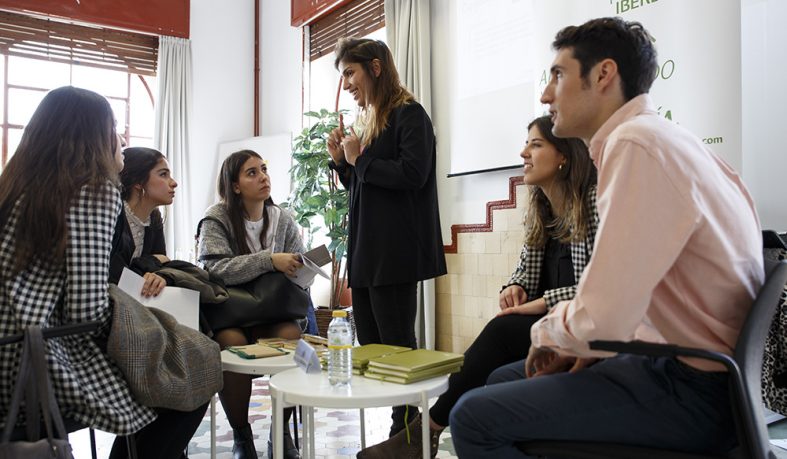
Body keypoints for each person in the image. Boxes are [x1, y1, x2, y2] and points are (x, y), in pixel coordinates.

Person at [449, 17, 764, 458]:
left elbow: (605, 314)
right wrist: (585, 345)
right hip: (700, 373)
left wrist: (548, 335)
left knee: (473, 419)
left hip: (691, 390)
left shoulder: (635, 144)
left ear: (603, 74)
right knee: (504, 379)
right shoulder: (666, 139)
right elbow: (630, 302)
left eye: (558, 75)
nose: (545, 94)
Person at [357, 115, 597, 458]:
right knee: (495, 365)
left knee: (500, 332)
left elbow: (599, 285)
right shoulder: (540, 207)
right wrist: (512, 287)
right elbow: (523, 274)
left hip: (582, 323)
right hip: (549, 325)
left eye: (536, 144)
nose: (523, 152)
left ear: (564, 156)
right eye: (526, 143)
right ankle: (424, 434)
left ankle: (424, 433)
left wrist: (541, 303)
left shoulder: (592, 202)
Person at [0, 86, 206, 459]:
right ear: (91, 136)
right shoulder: (94, 192)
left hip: (10, 348)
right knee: (191, 375)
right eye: (113, 128)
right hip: (41, 360)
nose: (121, 139)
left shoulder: (15, 186)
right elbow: (87, 312)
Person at [327, 37, 447, 437]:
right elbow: (366, 188)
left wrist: (360, 158)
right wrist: (344, 164)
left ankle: (408, 435)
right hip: (368, 250)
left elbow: (413, 175)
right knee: (374, 350)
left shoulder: (410, 114)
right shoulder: (373, 118)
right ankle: (399, 433)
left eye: (350, 72)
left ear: (375, 68)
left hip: (394, 252)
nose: (346, 84)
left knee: (397, 349)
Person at [197, 149, 305, 459]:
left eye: (264, 169)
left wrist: (302, 267)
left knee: (292, 339)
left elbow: (298, 267)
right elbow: (215, 269)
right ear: (234, 186)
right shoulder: (215, 218)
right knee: (230, 342)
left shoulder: (282, 218)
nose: (263, 177)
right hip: (231, 311)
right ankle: (242, 436)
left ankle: (280, 433)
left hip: (274, 310)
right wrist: (269, 261)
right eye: (252, 173)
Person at [109, 146, 177, 297]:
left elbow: (164, 264)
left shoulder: (153, 217)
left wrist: (160, 277)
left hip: (139, 298)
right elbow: (116, 275)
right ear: (139, 182)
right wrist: (151, 262)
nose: (173, 183)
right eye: (163, 174)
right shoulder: (114, 214)